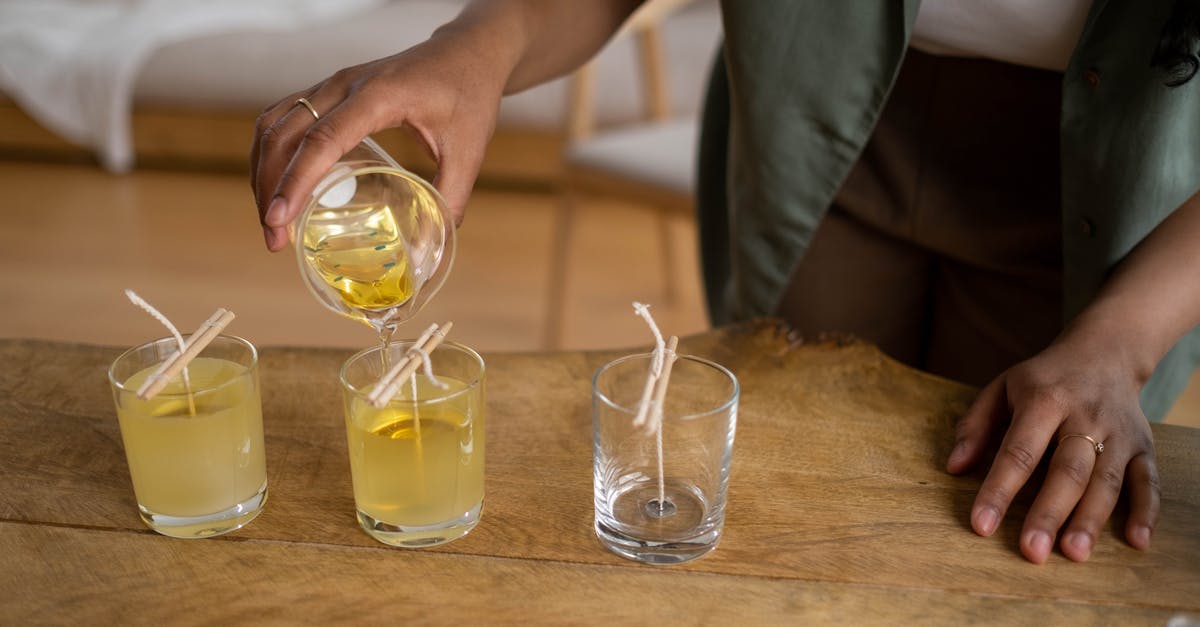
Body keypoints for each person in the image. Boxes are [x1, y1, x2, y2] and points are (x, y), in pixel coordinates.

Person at [249, 0, 1200, 565]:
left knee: (1008, 523)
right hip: (819, 127)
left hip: (1115, 173)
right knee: (799, 499)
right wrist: (486, 40)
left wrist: (1124, 336)